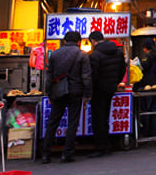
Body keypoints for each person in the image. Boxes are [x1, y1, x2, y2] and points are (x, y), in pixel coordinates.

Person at [42, 31, 92, 163]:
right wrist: (87, 94)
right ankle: (67, 153)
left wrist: (49, 93)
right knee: (72, 122)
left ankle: (45, 154)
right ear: (79, 42)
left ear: (64, 41)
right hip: (76, 92)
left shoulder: (55, 54)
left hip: (58, 92)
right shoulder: (82, 55)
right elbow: (86, 77)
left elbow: (49, 75)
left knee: (53, 122)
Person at [87, 31, 127, 157]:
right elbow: (122, 70)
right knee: (105, 116)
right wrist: (115, 82)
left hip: (98, 90)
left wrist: (89, 90)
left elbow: (93, 76)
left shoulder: (95, 55)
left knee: (98, 118)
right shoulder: (118, 52)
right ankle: (107, 145)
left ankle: (101, 147)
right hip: (111, 88)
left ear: (93, 41)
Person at [135, 39, 156, 137]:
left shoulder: (149, 57)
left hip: (148, 84)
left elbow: (145, 68)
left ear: (145, 48)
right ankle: (155, 132)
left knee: (146, 110)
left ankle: (146, 132)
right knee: (155, 109)